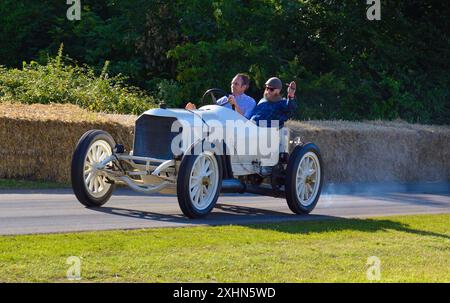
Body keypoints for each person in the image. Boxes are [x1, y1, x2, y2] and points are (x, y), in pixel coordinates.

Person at [185, 73, 256, 119]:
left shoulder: (250, 102)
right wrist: (196, 111)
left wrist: (235, 105)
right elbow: (211, 111)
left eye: (236, 84)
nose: (232, 86)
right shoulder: (225, 99)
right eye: (232, 83)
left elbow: (246, 121)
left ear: (244, 87)